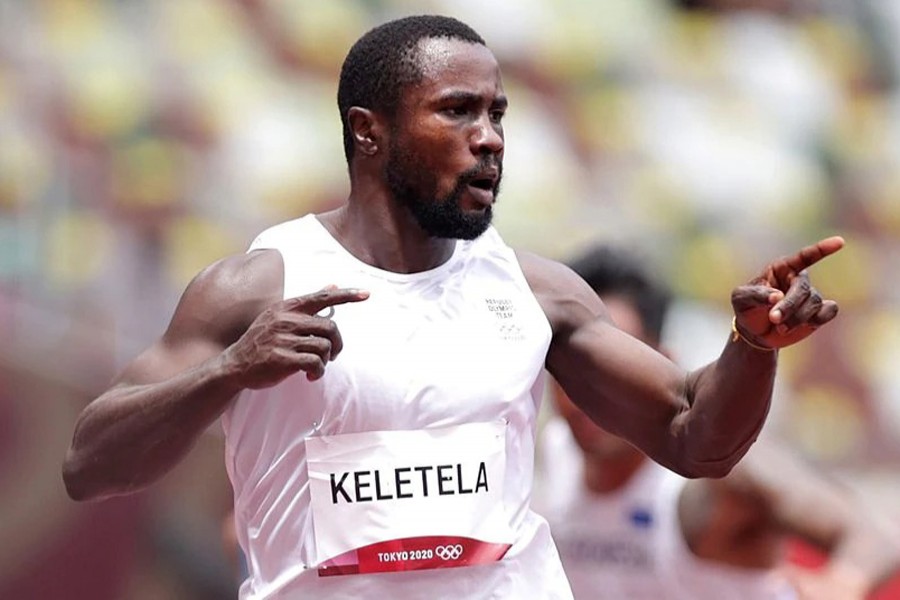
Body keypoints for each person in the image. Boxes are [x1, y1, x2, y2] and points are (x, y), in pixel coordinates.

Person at [62, 14, 845, 600]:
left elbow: (694, 438)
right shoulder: (255, 288)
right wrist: (230, 371)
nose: (491, 138)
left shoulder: (533, 292)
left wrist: (753, 348)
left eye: (498, 113)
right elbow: (90, 466)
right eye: (458, 111)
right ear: (368, 133)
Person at [535, 245, 900, 600]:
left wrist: (840, 585)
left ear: (659, 365)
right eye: (577, 369)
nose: (591, 392)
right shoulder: (549, 452)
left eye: (610, 368)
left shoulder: (715, 479)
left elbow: (873, 537)